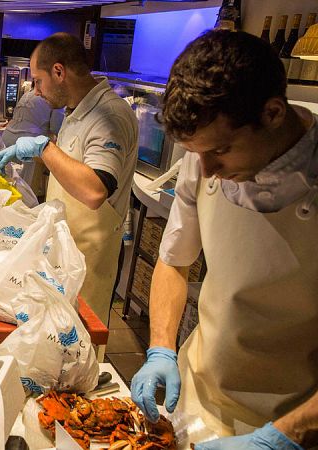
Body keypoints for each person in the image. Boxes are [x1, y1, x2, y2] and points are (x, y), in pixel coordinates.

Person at [129, 30, 318, 450]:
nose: (207, 169)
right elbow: (174, 260)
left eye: (222, 151)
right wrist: (161, 347)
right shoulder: (204, 158)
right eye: (197, 154)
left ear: (272, 113)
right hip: (197, 396)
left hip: (294, 421)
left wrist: (280, 439)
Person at [0, 33, 138, 325]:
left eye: (38, 80)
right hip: (65, 252)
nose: (35, 91)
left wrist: (44, 148)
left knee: (79, 347)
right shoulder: (76, 111)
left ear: (59, 72)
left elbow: (95, 190)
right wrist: (37, 154)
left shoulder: (109, 116)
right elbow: (76, 166)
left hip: (88, 261)